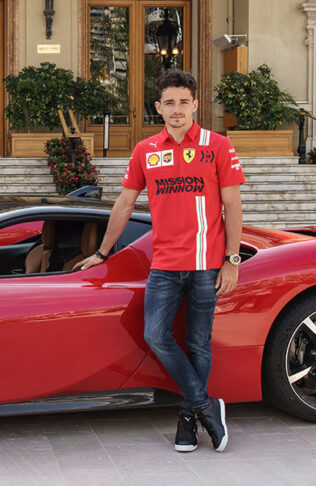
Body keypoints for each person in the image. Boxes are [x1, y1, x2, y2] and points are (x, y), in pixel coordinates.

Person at [76, 70, 244, 453]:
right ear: (158, 107)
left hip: (206, 264)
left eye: (184, 101)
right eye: (169, 102)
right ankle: (205, 405)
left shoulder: (217, 146)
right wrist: (102, 252)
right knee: (155, 335)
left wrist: (231, 260)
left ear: (195, 104)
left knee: (198, 344)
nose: (177, 109)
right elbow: (124, 204)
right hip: (165, 265)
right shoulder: (146, 150)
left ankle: (187, 419)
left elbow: (233, 206)